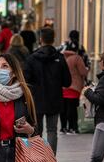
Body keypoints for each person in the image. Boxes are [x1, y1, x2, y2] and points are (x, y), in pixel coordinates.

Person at [24, 27, 71, 155]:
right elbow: (67, 82)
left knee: (36, 130)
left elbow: (25, 80)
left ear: (40, 39)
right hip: (54, 99)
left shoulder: (32, 58)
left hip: (36, 99)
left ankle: (37, 157)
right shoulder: (59, 58)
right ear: (53, 39)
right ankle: (51, 157)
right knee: (52, 130)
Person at [60, 43, 89, 134]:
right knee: (72, 108)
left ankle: (63, 127)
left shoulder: (62, 58)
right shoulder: (77, 58)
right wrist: (88, 69)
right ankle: (73, 127)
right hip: (74, 87)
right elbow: (83, 72)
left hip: (63, 87)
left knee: (64, 108)